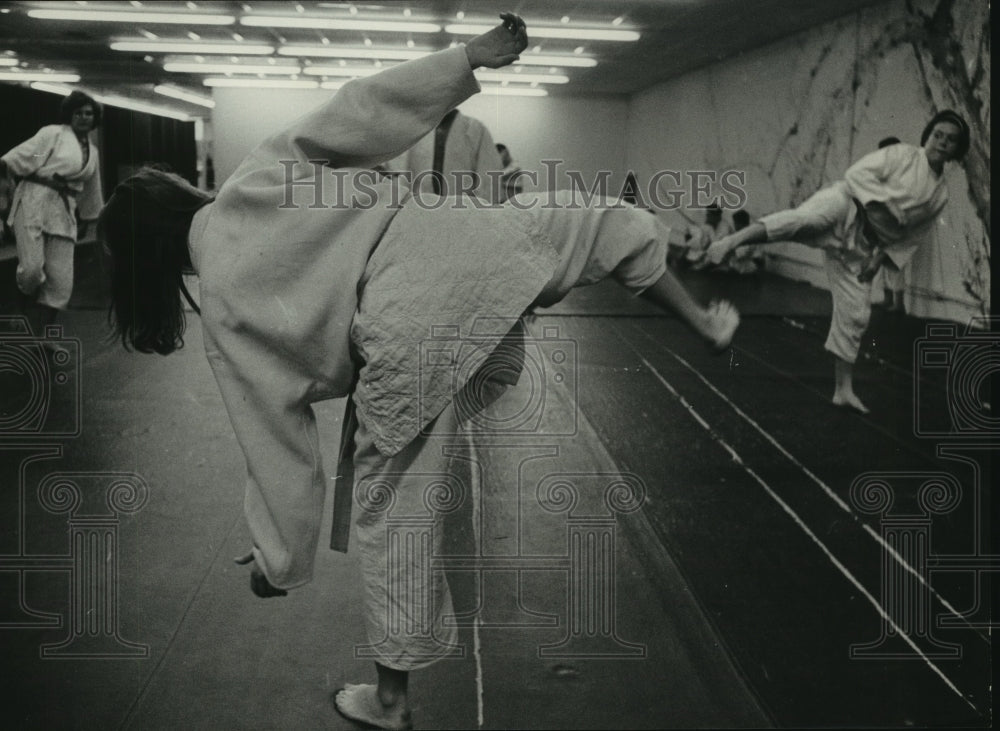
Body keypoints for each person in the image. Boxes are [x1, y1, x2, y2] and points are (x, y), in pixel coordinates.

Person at [98, 15, 739, 729]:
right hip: (461, 248)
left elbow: (277, 437)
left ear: (146, 262)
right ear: (178, 193)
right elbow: (360, 109)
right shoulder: (251, 179)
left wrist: (276, 561)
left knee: (391, 508)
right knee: (598, 221)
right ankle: (707, 318)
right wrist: (468, 58)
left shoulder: (219, 307)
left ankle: (393, 700)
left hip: (413, 336)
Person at [707, 110, 970, 413]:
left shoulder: (940, 196)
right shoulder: (901, 155)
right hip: (845, 203)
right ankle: (732, 241)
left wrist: (879, 260)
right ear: (929, 134)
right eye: (938, 135)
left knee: (857, 313)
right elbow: (857, 175)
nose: (942, 143)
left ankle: (843, 390)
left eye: (951, 140)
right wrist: (884, 205)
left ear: (957, 149)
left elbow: (912, 235)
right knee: (801, 221)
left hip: (863, 244)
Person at [1, 90, 103, 336]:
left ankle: (39, 334)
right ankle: (17, 308)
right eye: (78, 113)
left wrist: (90, 220)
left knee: (61, 283)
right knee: (33, 271)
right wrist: (31, 161)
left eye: (89, 113)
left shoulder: (94, 153)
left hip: (63, 211)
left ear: (94, 118)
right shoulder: (52, 136)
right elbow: (30, 155)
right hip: (34, 201)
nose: (84, 117)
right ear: (70, 114)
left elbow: (92, 190)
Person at [383, 106, 507, 204]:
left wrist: (483, 215)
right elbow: (399, 175)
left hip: (463, 214)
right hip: (419, 213)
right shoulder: (411, 129)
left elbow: (488, 176)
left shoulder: (475, 129)